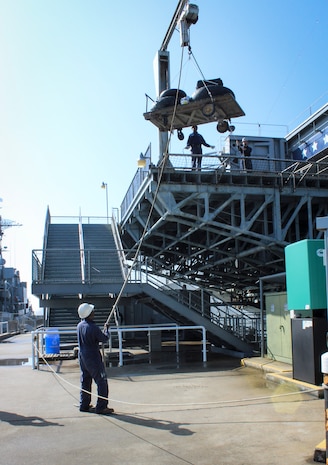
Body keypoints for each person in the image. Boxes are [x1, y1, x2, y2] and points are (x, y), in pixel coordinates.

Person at [77, 302, 114, 415]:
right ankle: (101, 407)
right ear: (89, 314)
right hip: (93, 357)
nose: (94, 312)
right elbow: (104, 338)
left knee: (85, 380)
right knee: (101, 381)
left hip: (83, 357)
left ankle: (84, 404)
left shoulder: (80, 326)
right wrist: (106, 329)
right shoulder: (92, 327)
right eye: (92, 311)